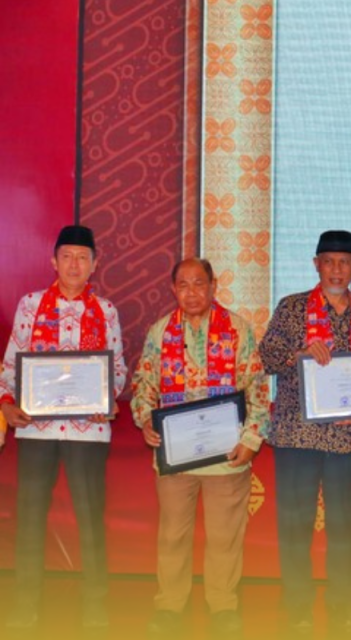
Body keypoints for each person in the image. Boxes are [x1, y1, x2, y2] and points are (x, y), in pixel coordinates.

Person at [130, 257, 269, 637]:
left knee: (225, 537)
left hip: (226, 457)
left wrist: (251, 440)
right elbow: (144, 384)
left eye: (199, 283)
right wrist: (145, 419)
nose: (191, 292)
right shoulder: (160, 332)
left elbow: (257, 388)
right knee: (173, 536)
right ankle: (169, 605)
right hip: (176, 456)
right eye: (183, 285)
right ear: (173, 289)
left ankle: (223, 606)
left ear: (213, 286)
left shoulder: (238, 329)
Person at [0, 225, 127, 629]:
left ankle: (95, 605)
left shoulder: (105, 310)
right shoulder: (31, 304)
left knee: (90, 519)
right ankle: (25, 605)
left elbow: (117, 368)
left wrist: (106, 400)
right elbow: (11, 362)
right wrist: (6, 403)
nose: (74, 264)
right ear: (53, 261)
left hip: (87, 431)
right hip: (35, 430)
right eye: (67, 256)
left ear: (95, 264)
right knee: (29, 518)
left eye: (82, 257)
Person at [259, 230, 351, 635]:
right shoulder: (292, 308)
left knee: (344, 529)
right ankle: (297, 608)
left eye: (344, 262)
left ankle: (342, 608)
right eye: (328, 261)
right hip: (298, 436)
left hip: (348, 440)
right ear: (316, 264)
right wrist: (298, 355)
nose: (336, 269)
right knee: (295, 527)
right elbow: (265, 357)